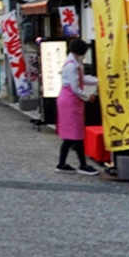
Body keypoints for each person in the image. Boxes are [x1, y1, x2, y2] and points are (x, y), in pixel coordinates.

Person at [55, 38, 99, 175]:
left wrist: (98, 80)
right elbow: (76, 88)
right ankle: (82, 165)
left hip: (71, 100)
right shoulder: (72, 66)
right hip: (70, 101)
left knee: (72, 134)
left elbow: (82, 79)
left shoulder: (75, 63)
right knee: (76, 133)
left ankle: (63, 164)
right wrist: (87, 96)